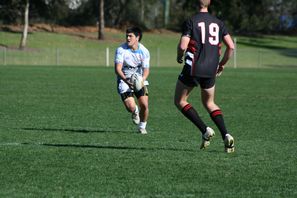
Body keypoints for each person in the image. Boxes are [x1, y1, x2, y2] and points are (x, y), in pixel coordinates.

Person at [174, 0, 235, 153]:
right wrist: (222, 64)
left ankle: (205, 130)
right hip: (211, 69)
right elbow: (231, 46)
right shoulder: (218, 23)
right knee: (210, 103)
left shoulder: (191, 21)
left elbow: (183, 45)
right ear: (210, 3)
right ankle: (226, 135)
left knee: (180, 101)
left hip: (193, 67)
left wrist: (179, 56)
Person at [114, 27, 150, 134]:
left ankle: (142, 126)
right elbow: (117, 69)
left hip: (139, 79)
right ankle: (135, 111)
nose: (128, 38)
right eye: (127, 36)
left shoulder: (144, 51)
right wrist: (126, 81)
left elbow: (146, 70)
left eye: (131, 36)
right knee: (130, 107)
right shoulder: (121, 50)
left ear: (137, 37)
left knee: (144, 105)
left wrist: (142, 80)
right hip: (124, 80)